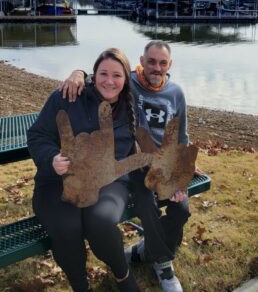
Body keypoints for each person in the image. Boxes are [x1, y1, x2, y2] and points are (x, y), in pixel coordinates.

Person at [61, 40, 203, 292]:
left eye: (162, 63)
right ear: (141, 61)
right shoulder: (130, 83)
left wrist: (186, 166)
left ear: (169, 65)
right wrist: (78, 73)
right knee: (147, 205)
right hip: (136, 163)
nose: (156, 67)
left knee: (181, 209)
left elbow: (181, 136)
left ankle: (142, 250)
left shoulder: (176, 93)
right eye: (151, 61)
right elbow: (104, 75)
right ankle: (163, 265)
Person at [27, 48, 151, 292]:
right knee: (67, 227)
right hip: (59, 182)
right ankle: (80, 286)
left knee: (101, 221)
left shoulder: (131, 105)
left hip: (109, 181)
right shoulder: (68, 96)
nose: (109, 81)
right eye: (103, 73)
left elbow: (147, 144)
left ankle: (123, 277)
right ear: (93, 75)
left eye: (117, 75)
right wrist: (51, 159)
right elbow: (37, 135)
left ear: (126, 79)